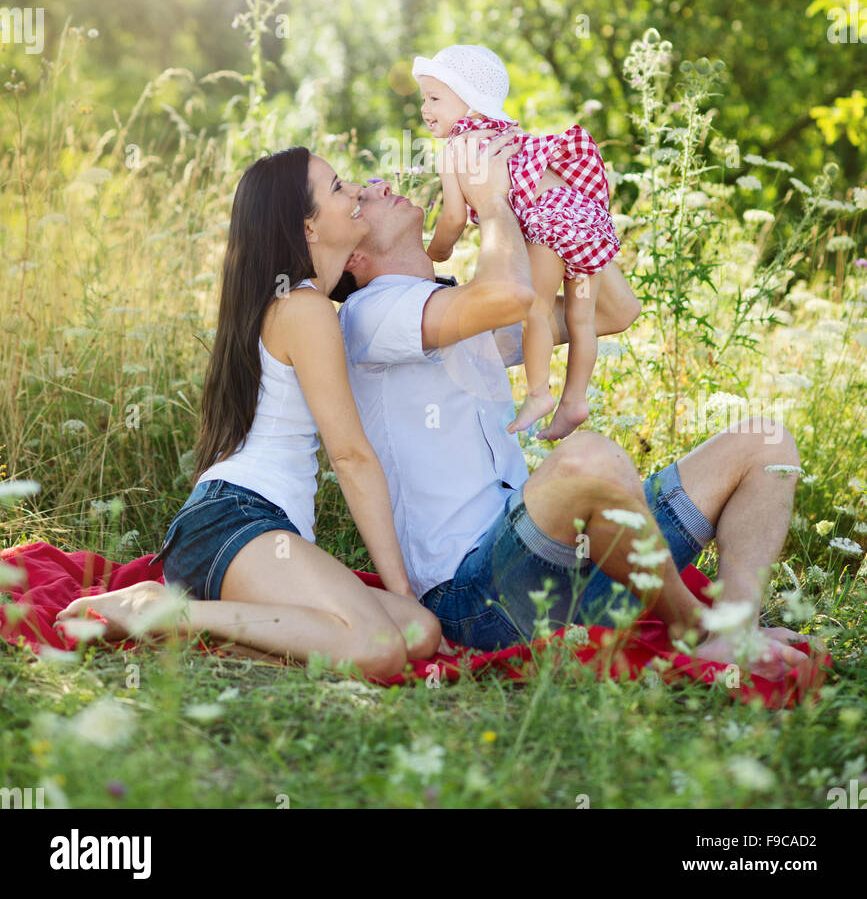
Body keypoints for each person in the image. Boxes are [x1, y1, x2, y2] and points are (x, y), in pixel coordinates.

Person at [335, 127, 815, 680]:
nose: (375, 184)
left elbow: (613, 310)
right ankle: (697, 629)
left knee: (765, 443)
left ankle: (736, 627)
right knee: (590, 458)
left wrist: (553, 194)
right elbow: (510, 293)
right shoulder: (368, 318)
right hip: (475, 599)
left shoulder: (459, 311)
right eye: (358, 197)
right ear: (353, 260)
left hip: (555, 558)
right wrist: (494, 202)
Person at [55, 147, 441, 678]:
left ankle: (193, 621)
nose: (354, 191)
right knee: (379, 648)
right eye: (336, 187)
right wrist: (401, 589)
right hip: (235, 519)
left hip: (244, 534)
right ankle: (165, 610)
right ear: (306, 226)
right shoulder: (302, 308)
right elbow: (350, 457)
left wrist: (408, 607)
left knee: (420, 633)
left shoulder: (296, 304)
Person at [413, 43, 622, 440]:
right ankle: (575, 400)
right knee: (582, 320)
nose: (425, 108)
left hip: (547, 226)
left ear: (471, 102)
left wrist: (434, 253)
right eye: (424, 98)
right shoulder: (506, 134)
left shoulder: (456, 147)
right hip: (583, 217)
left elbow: (454, 218)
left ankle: (540, 393)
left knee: (535, 311)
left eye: (435, 98)